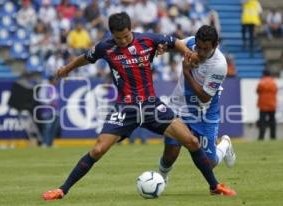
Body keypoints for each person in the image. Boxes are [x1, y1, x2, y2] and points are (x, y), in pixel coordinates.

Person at [42, 12, 236, 201]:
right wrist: (67, 69)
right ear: (112, 34)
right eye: (119, 38)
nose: (124, 41)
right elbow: (86, 57)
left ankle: (214, 186)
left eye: (126, 36)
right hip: (126, 109)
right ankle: (62, 190)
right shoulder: (105, 48)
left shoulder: (148, 40)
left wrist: (186, 52)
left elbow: (174, 41)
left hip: (152, 106)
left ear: (131, 30)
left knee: (192, 142)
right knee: (98, 149)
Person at [158, 25, 237, 189]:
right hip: (178, 108)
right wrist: (163, 48)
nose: (200, 52)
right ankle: (161, 180)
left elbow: (204, 96)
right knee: (170, 153)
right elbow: (174, 43)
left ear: (215, 46)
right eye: (198, 47)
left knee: (209, 163)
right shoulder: (192, 43)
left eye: (205, 49)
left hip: (204, 112)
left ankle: (225, 145)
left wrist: (186, 72)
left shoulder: (219, 64)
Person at [256, 70, 277, 140]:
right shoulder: (273, 82)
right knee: (272, 121)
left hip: (263, 105)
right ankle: (273, 136)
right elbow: (276, 91)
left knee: (262, 122)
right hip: (272, 105)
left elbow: (258, 91)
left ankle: (261, 136)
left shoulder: (261, 82)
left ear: (264, 74)